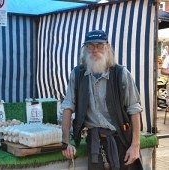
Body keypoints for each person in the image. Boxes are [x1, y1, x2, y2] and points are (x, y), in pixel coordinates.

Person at [61, 30, 143, 170]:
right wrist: (65, 142)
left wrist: (135, 146)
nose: (94, 50)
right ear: (85, 49)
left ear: (107, 47)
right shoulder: (77, 74)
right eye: (90, 46)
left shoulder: (121, 74)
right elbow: (68, 107)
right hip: (94, 142)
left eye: (99, 45)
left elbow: (134, 109)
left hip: (121, 140)